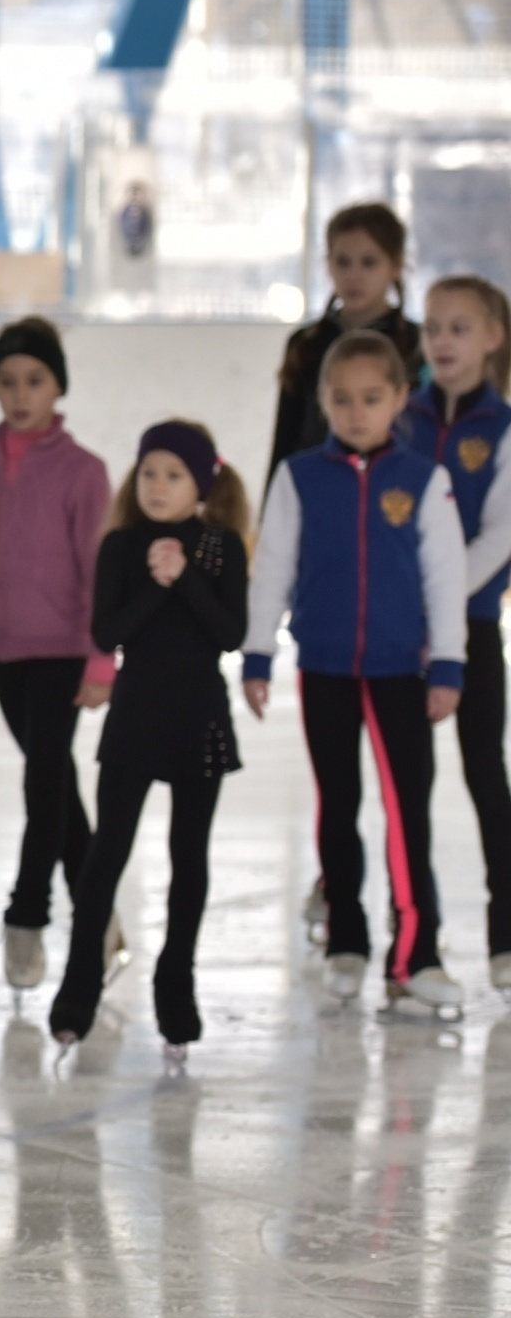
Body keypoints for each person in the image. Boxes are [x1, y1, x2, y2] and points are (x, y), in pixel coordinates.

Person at [243, 329, 467, 1010]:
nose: (357, 412)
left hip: (403, 672)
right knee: (336, 807)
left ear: (401, 398)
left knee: (408, 815)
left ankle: (415, 954)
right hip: (327, 668)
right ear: (323, 402)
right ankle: (345, 938)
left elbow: (445, 575)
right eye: (342, 399)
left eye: (372, 398)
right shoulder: (299, 476)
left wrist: (449, 662)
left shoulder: (424, 481)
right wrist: (259, 651)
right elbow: (273, 565)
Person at [48, 423, 250, 1069]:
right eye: (148, 472)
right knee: (106, 855)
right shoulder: (120, 546)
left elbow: (229, 633)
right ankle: (78, 988)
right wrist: (157, 584)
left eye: (173, 475)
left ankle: (175, 987)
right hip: (135, 716)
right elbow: (107, 632)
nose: (157, 485)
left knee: (189, 859)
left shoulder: (221, 548)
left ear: (201, 485)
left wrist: (186, 575)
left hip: (199, 718)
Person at [0, 316, 120, 991]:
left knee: (43, 785)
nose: (20, 394)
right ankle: (100, 916)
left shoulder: (84, 472)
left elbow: (100, 570)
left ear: (57, 386)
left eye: (34, 380)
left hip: (65, 651)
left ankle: (27, 917)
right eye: (7, 381)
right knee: (59, 787)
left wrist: (103, 658)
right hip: (6, 653)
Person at [398, 274, 511, 985]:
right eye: (433, 327)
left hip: (469, 629)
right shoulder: (396, 420)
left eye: (459, 328)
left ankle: (506, 935)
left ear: (493, 337)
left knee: (483, 775)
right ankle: (418, 943)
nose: (442, 341)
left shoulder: (502, 431)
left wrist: (440, 615)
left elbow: (498, 537)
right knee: (406, 787)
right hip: (396, 636)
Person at [271, 201, 423, 479]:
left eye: (369, 262)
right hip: (317, 485)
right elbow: (285, 438)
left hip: (392, 490)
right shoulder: (305, 344)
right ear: (328, 264)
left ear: (396, 266)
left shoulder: (417, 344)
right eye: (343, 262)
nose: (354, 276)